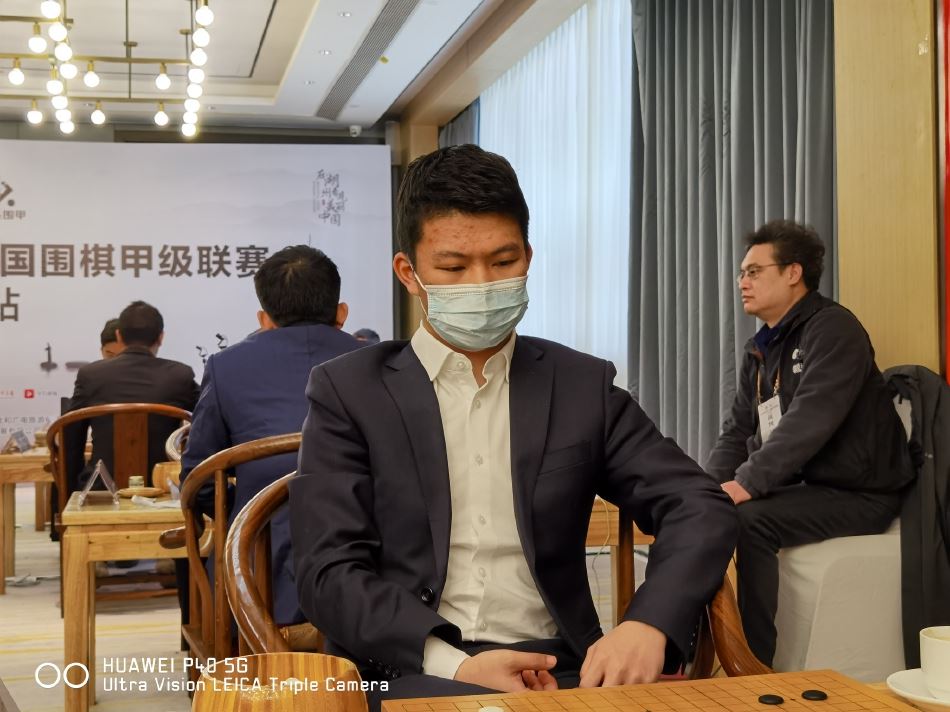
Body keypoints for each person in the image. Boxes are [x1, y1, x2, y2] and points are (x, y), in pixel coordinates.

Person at [290, 144, 737, 709]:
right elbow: (328, 571)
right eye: (454, 267)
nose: (481, 284)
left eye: (503, 263)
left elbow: (698, 504)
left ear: (528, 256)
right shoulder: (350, 391)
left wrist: (647, 623)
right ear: (409, 272)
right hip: (410, 668)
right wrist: (457, 664)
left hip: (561, 669)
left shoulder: (580, 385)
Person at [705, 219, 914, 667]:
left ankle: (754, 665)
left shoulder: (834, 329)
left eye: (754, 271)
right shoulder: (761, 350)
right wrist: (703, 490)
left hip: (863, 493)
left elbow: (811, 418)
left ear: (793, 273)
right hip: (812, 487)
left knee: (751, 519)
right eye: (741, 273)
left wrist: (747, 483)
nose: (742, 282)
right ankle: (684, 651)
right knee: (703, 512)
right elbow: (737, 431)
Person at [180, 245, 362, 624]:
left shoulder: (226, 367)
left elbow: (198, 480)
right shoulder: (382, 362)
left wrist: (255, 507)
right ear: (342, 313)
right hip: (370, 573)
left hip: (257, 580)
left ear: (264, 319)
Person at [64, 300, 199, 495]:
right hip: (164, 490)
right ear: (160, 337)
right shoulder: (180, 376)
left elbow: (69, 437)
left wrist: (73, 492)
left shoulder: (90, 375)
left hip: (100, 490)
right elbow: (210, 423)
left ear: (119, 335)